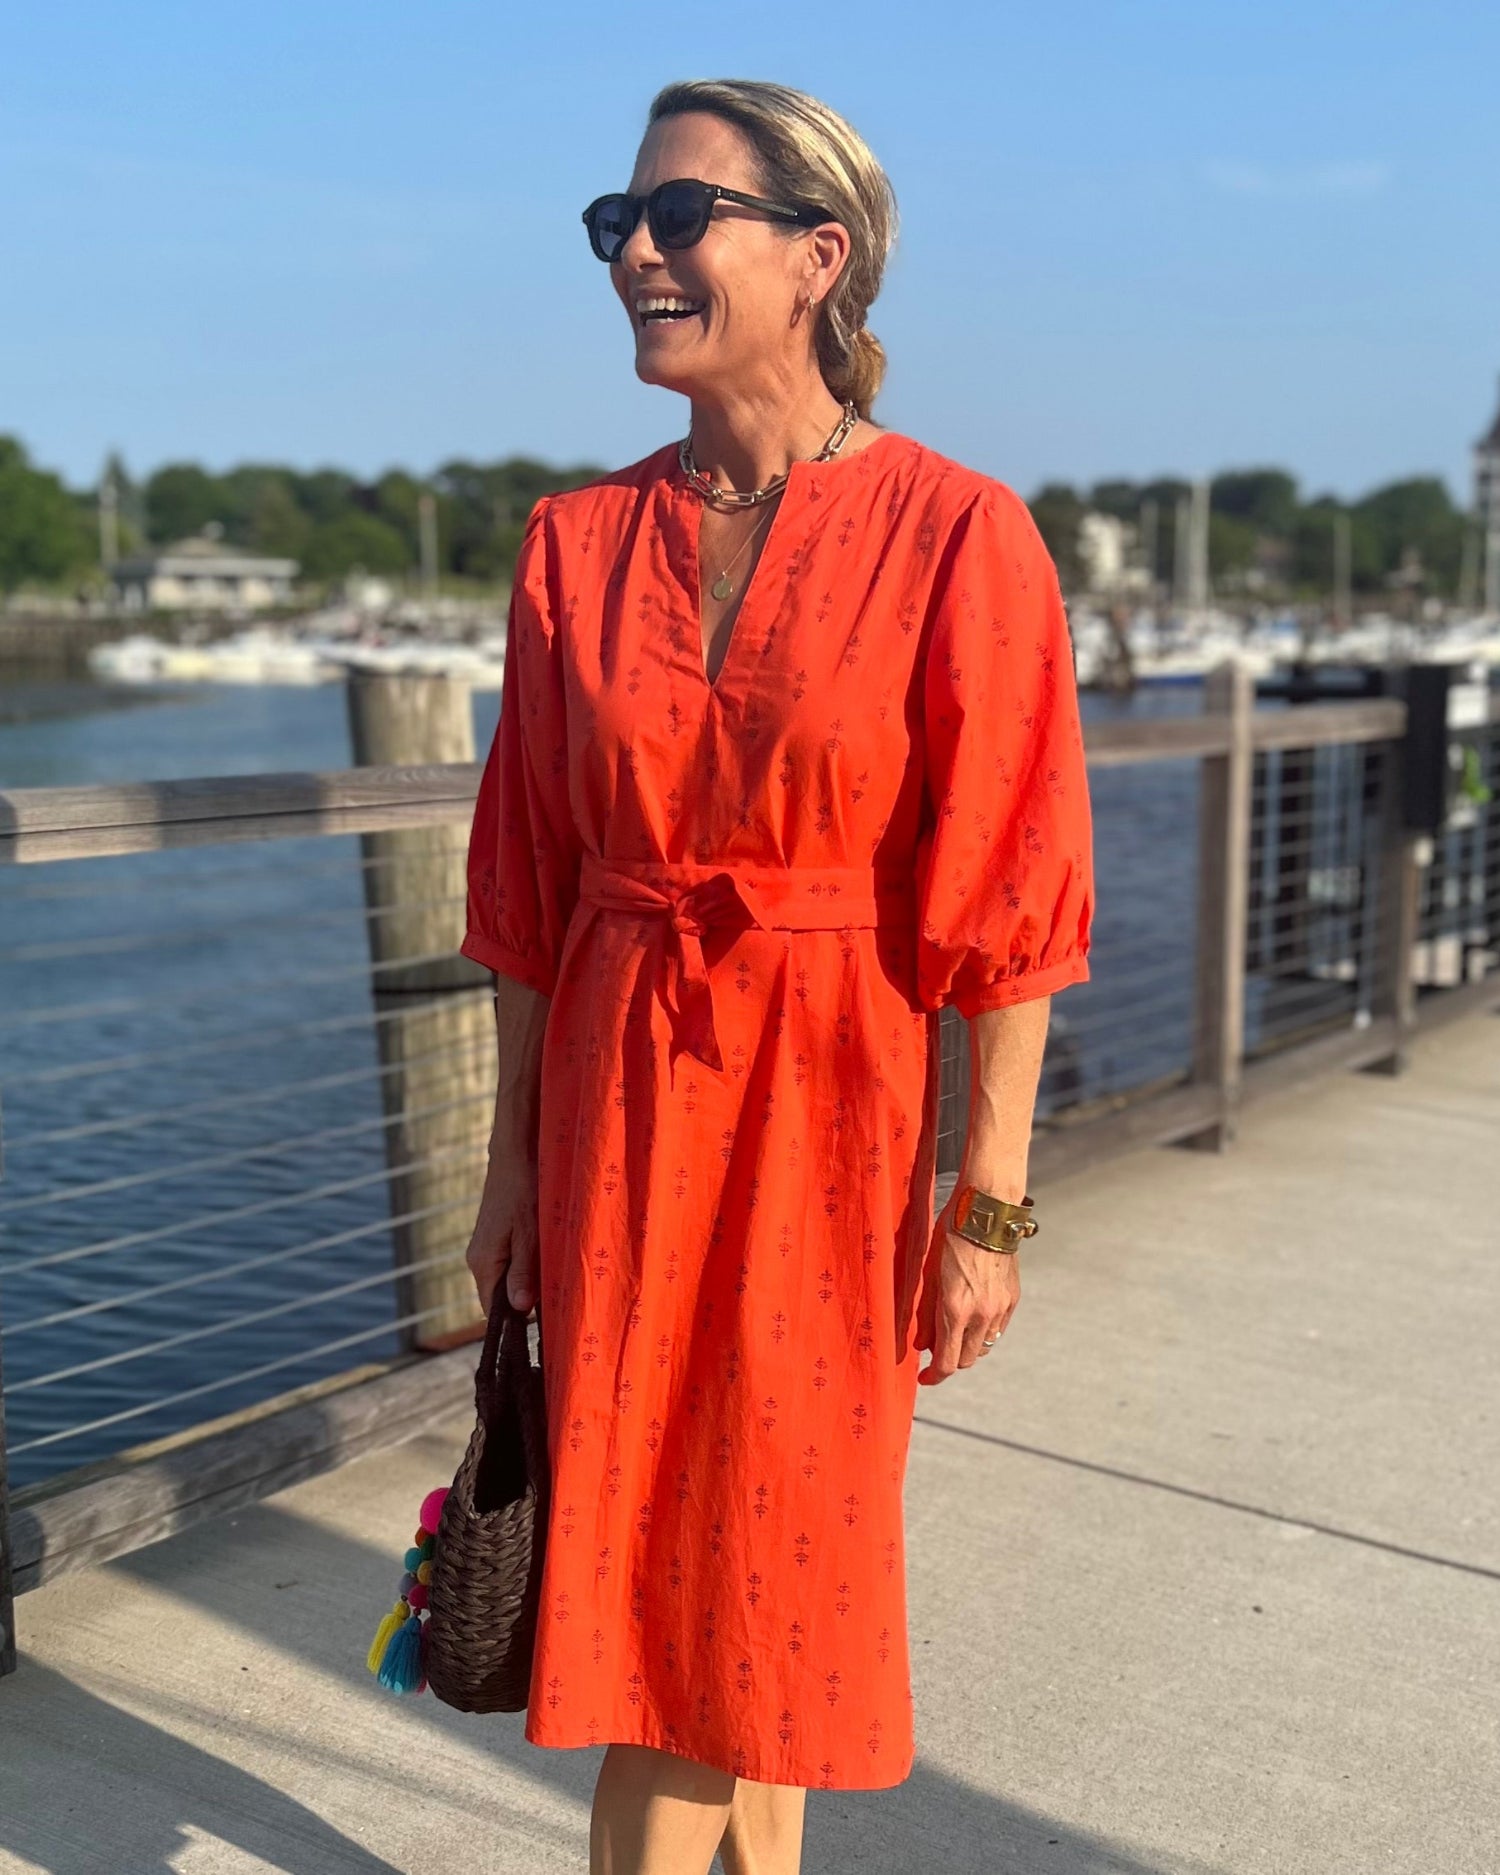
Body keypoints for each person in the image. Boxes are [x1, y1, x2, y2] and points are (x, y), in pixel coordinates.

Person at [461, 77, 1094, 1875]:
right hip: (614, 1109)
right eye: (619, 225)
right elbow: (527, 887)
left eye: (679, 219)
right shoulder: (574, 547)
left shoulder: (962, 537)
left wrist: (995, 1203)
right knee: (676, 1587)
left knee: (765, 1568)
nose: (636, 256)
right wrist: (509, 1167)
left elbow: (1013, 895)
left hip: (831, 1117)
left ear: (820, 258)